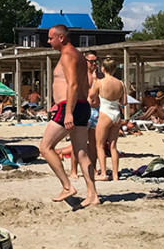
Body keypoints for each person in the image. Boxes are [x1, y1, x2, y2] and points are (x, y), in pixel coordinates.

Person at [37, 24, 99, 209]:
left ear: (61, 38)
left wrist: (68, 112)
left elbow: (72, 85)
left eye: (50, 38)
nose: (48, 41)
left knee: (45, 147)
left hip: (70, 107)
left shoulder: (68, 55)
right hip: (80, 106)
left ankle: (67, 186)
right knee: (81, 152)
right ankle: (93, 194)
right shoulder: (78, 55)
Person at [93, 57, 125, 181]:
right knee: (113, 146)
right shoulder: (121, 83)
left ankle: (103, 173)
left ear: (103, 68)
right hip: (116, 113)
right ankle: (116, 174)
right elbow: (124, 101)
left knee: (100, 145)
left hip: (105, 112)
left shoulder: (100, 82)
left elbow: (91, 97)